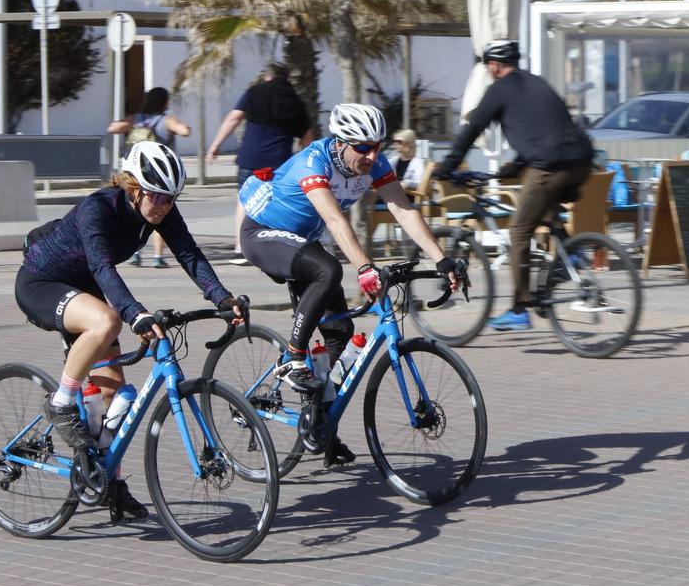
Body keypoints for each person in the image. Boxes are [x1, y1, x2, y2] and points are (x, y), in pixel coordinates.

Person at [15, 144, 247, 522]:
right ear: (133, 187)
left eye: (172, 199)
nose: (164, 206)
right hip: (42, 282)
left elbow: (190, 255)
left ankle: (110, 485)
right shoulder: (98, 208)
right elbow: (104, 268)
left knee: (117, 396)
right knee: (108, 321)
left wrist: (222, 297)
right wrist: (135, 314)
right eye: (157, 196)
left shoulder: (161, 213)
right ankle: (60, 401)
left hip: (81, 288)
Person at [241, 103, 460, 464]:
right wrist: (365, 268)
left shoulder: (375, 163)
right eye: (362, 147)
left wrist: (442, 258)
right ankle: (293, 357)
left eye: (378, 145)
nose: (372, 155)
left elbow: (403, 209)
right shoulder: (314, 163)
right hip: (263, 235)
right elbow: (334, 220)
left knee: (340, 337)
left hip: (303, 244)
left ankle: (320, 430)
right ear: (340, 142)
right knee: (329, 269)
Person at [431, 40, 594, 333]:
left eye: (487, 65)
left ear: (494, 65)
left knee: (519, 230)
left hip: (551, 164)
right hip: (581, 160)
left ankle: (520, 309)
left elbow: (472, 129)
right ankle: (570, 254)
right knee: (544, 210)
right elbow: (545, 130)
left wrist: (446, 167)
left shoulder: (500, 89)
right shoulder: (537, 83)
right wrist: (515, 167)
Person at [209, 62, 314, 258]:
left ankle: (241, 248)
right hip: (279, 163)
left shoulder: (255, 91)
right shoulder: (295, 100)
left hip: (251, 157)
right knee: (276, 204)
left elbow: (234, 118)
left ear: (268, 76)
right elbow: (307, 136)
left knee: (244, 199)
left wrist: (216, 144)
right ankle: (275, 247)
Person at [107, 88, 193, 269]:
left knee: (136, 210)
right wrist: (185, 128)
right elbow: (184, 131)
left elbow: (113, 128)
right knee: (160, 212)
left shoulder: (135, 118)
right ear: (165, 102)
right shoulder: (166, 120)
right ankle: (157, 256)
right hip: (158, 177)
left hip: (134, 175)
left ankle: (136, 253)